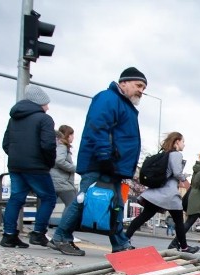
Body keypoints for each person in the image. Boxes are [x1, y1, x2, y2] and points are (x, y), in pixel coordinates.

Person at [49, 67, 147, 256]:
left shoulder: (121, 103)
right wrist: (105, 158)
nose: (141, 90)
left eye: (143, 87)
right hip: (102, 163)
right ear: (124, 83)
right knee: (84, 199)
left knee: (116, 203)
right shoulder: (108, 99)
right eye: (139, 85)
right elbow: (98, 127)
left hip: (113, 165)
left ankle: (120, 244)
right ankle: (61, 236)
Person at [0, 84, 57, 248]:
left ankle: (9, 235)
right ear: (39, 102)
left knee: (16, 198)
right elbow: (48, 145)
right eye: (46, 103)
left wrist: (16, 157)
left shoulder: (14, 119)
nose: (48, 106)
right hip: (37, 166)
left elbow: (5, 144)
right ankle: (38, 233)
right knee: (48, 197)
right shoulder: (45, 119)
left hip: (15, 166)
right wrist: (48, 163)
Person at [126, 132, 199, 254]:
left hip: (157, 193)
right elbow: (176, 173)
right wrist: (184, 179)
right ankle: (185, 247)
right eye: (183, 142)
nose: (184, 145)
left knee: (144, 216)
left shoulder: (166, 154)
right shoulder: (176, 154)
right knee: (179, 222)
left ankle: (124, 239)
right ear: (177, 142)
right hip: (169, 194)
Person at [174, 152, 200, 251]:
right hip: (199, 199)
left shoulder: (199, 168)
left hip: (195, 197)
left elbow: (195, 183)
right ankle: (174, 243)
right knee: (190, 222)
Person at [50, 125, 77, 208]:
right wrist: (75, 168)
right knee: (72, 206)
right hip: (63, 183)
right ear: (67, 135)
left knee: (48, 205)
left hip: (54, 181)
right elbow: (59, 160)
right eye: (72, 135)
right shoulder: (62, 146)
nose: (73, 137)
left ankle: (41, 221)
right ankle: (66, 221)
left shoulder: (56, 145)